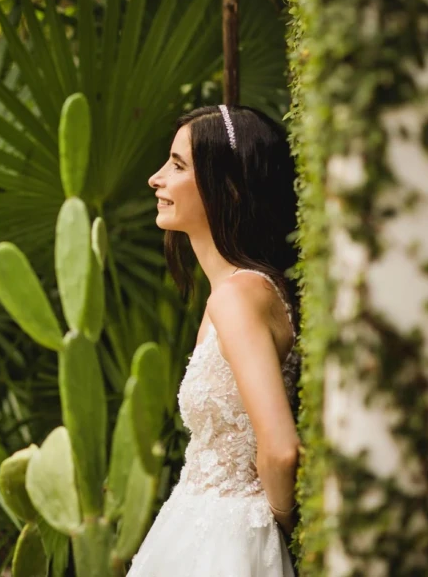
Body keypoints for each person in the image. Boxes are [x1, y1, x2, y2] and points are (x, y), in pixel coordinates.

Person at [127, 104, 301, 576]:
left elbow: (281, 449)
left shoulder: (240, 297)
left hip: (228, 540)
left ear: (227, 187)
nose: (156, 179)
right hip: (196, 528)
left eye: (178, 165)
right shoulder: (240, 292)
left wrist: (285, 534)